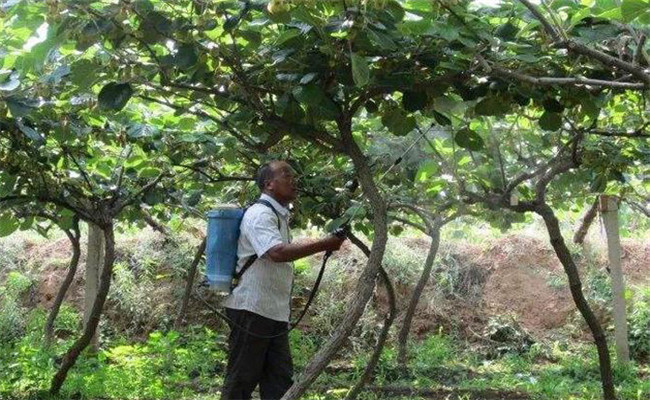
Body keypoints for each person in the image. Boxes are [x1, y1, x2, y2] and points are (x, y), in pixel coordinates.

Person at [221, 160, 346, 400]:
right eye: (286, 175)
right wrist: (324, 243)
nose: (293, 180)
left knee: (279, 383)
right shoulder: (259, 214)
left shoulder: (279, 216)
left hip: (273, 313)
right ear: (268, 184)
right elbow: (276, 253)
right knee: (240, 381)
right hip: (251, 309)